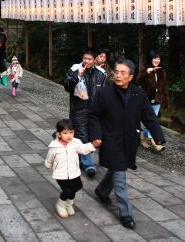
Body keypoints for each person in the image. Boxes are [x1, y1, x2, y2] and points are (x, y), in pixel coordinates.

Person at [88, 58, 166, 230]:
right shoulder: (104, 93)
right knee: (120, 175)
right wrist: (95, 135)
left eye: (123, 73)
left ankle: (102, 191)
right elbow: (93, 115)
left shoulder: (139, 94)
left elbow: (149, 116)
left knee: (116, 169)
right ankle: (126, 213)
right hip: (110, 140)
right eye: (116, 72)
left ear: (130, 76)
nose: (118, 75)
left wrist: (158, 136)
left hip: (130, 140)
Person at [63, 47, 106, 178]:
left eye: (89, 59)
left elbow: (105, 93)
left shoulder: (100, 73)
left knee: (94, 135)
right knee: (82, 135)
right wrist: (77, 76)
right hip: (78, 109)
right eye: (85, 58)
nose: (86, 61)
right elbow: (67, 86)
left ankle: (78, 156)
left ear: (95, 60)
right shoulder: (74, 69)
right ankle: (88, 164)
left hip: (95, 110)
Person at [44, 119, 99, 218]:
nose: (69, 135)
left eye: (71, 132)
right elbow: (50, 157)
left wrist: (92, 145)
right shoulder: (54, 146)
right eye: (65, 133)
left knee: (76, 188)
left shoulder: (76, 142)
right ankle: (60, 205)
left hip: (74, 172)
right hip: (60, 174)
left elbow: (83, 149)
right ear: (59, 134)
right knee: (68, 190)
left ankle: (68, 204)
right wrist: (48, 164)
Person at [136, 50, 170, 152]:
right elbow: (137, 82)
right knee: (150, 120)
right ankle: (155, 142)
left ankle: (146, 138)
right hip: (146, 99)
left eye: (158, 58)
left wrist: (165, 99)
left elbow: (164, 86)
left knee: (153, 120)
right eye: (155, 58)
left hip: (157, 100)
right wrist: (147, 72)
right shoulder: (145, 70)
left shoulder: (162, 71)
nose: (157, 60)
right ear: (151, 59)